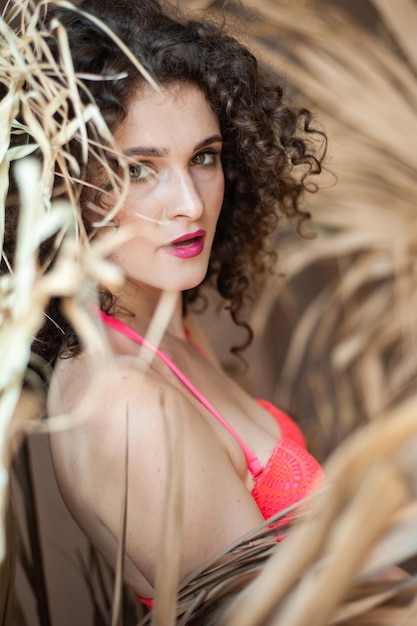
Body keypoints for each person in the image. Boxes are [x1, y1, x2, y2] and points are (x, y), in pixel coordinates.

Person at [2, 0, 326, 609]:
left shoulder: (160, 320)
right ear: (64, 185)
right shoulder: (128, 404)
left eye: (203, 157)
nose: (191, 204)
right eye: (140, 170)